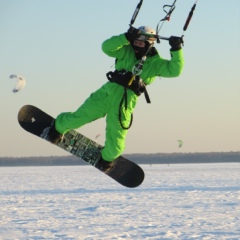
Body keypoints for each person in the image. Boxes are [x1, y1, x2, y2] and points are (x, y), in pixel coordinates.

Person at [48, 26, 184, 172]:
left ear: (150, 43)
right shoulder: (125, 50)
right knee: (79, 118)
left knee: (116, 145)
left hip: (124, 104)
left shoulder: (156, 63)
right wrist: (125, 37)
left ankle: (106, 159)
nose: (137, 44)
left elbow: (175, 70)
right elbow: (106, 47)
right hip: (106, 94)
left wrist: (176, 50)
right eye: (136, 41)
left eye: (141, 42)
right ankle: (58, 127)